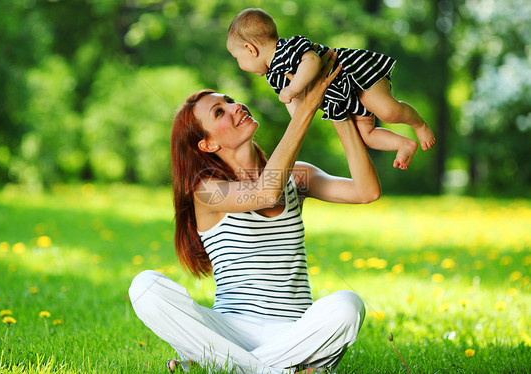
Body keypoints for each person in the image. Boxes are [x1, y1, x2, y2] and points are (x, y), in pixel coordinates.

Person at [128, 51, 381, 374]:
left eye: (230, 100)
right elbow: (264, 192)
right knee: (144, 286)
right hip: (229, 332)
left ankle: (226, 367)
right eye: (220, 111)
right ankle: (273, 370)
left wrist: (338, 111)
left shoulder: (296, 177)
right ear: (207, 144)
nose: (236, 107)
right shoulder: (206, 190)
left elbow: (366, 191)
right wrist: (305, 108)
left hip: (294, 334)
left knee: (348, 305)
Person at [226, 8, 436, 170]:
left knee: (387, 111)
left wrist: (293, 89)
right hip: (345, 99)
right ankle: (403, 144)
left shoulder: (287, 48)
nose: (239, 64)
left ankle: (418, 124)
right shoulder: (274, 77)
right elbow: (297, 106)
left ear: (250, 49)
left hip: (355, 76)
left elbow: (312, 62)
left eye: (237, 58)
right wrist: (299, 121)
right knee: (367, 136)